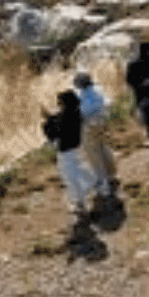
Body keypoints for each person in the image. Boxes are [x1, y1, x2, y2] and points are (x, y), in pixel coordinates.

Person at [41, 90, 96, 221]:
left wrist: (47, 121)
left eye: (60, 103)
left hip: (66, 153)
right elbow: (60, 119)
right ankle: (92, 186)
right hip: (75, 149)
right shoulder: (75, 113)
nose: (58, 105)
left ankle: (81, 206)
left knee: (70, 179)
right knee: (79, 171)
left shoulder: (66, 117)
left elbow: (55, 131)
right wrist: (50, 118)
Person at [72, 71, 119, 207]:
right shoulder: (98, 90)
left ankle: (103, 185)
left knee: (94, 156)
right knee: (105, 149)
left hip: (89, 127)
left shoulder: (81, 96)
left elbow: (82, 112)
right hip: (103, 124)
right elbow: (108, 103)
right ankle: (111, 175)